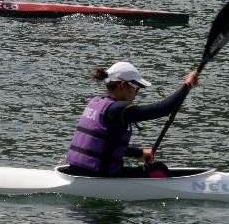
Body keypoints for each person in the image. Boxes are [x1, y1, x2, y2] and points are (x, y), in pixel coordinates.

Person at [63, 61, 199, 178]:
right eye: (136, 89)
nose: (136, 94)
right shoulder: (120, 109)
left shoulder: (97, 103)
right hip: (100, 174)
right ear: (123, 85)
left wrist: (139, 153)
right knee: (159, 169)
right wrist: (187, 86)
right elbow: (164, 108)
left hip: (78, 170)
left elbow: (106, 146)